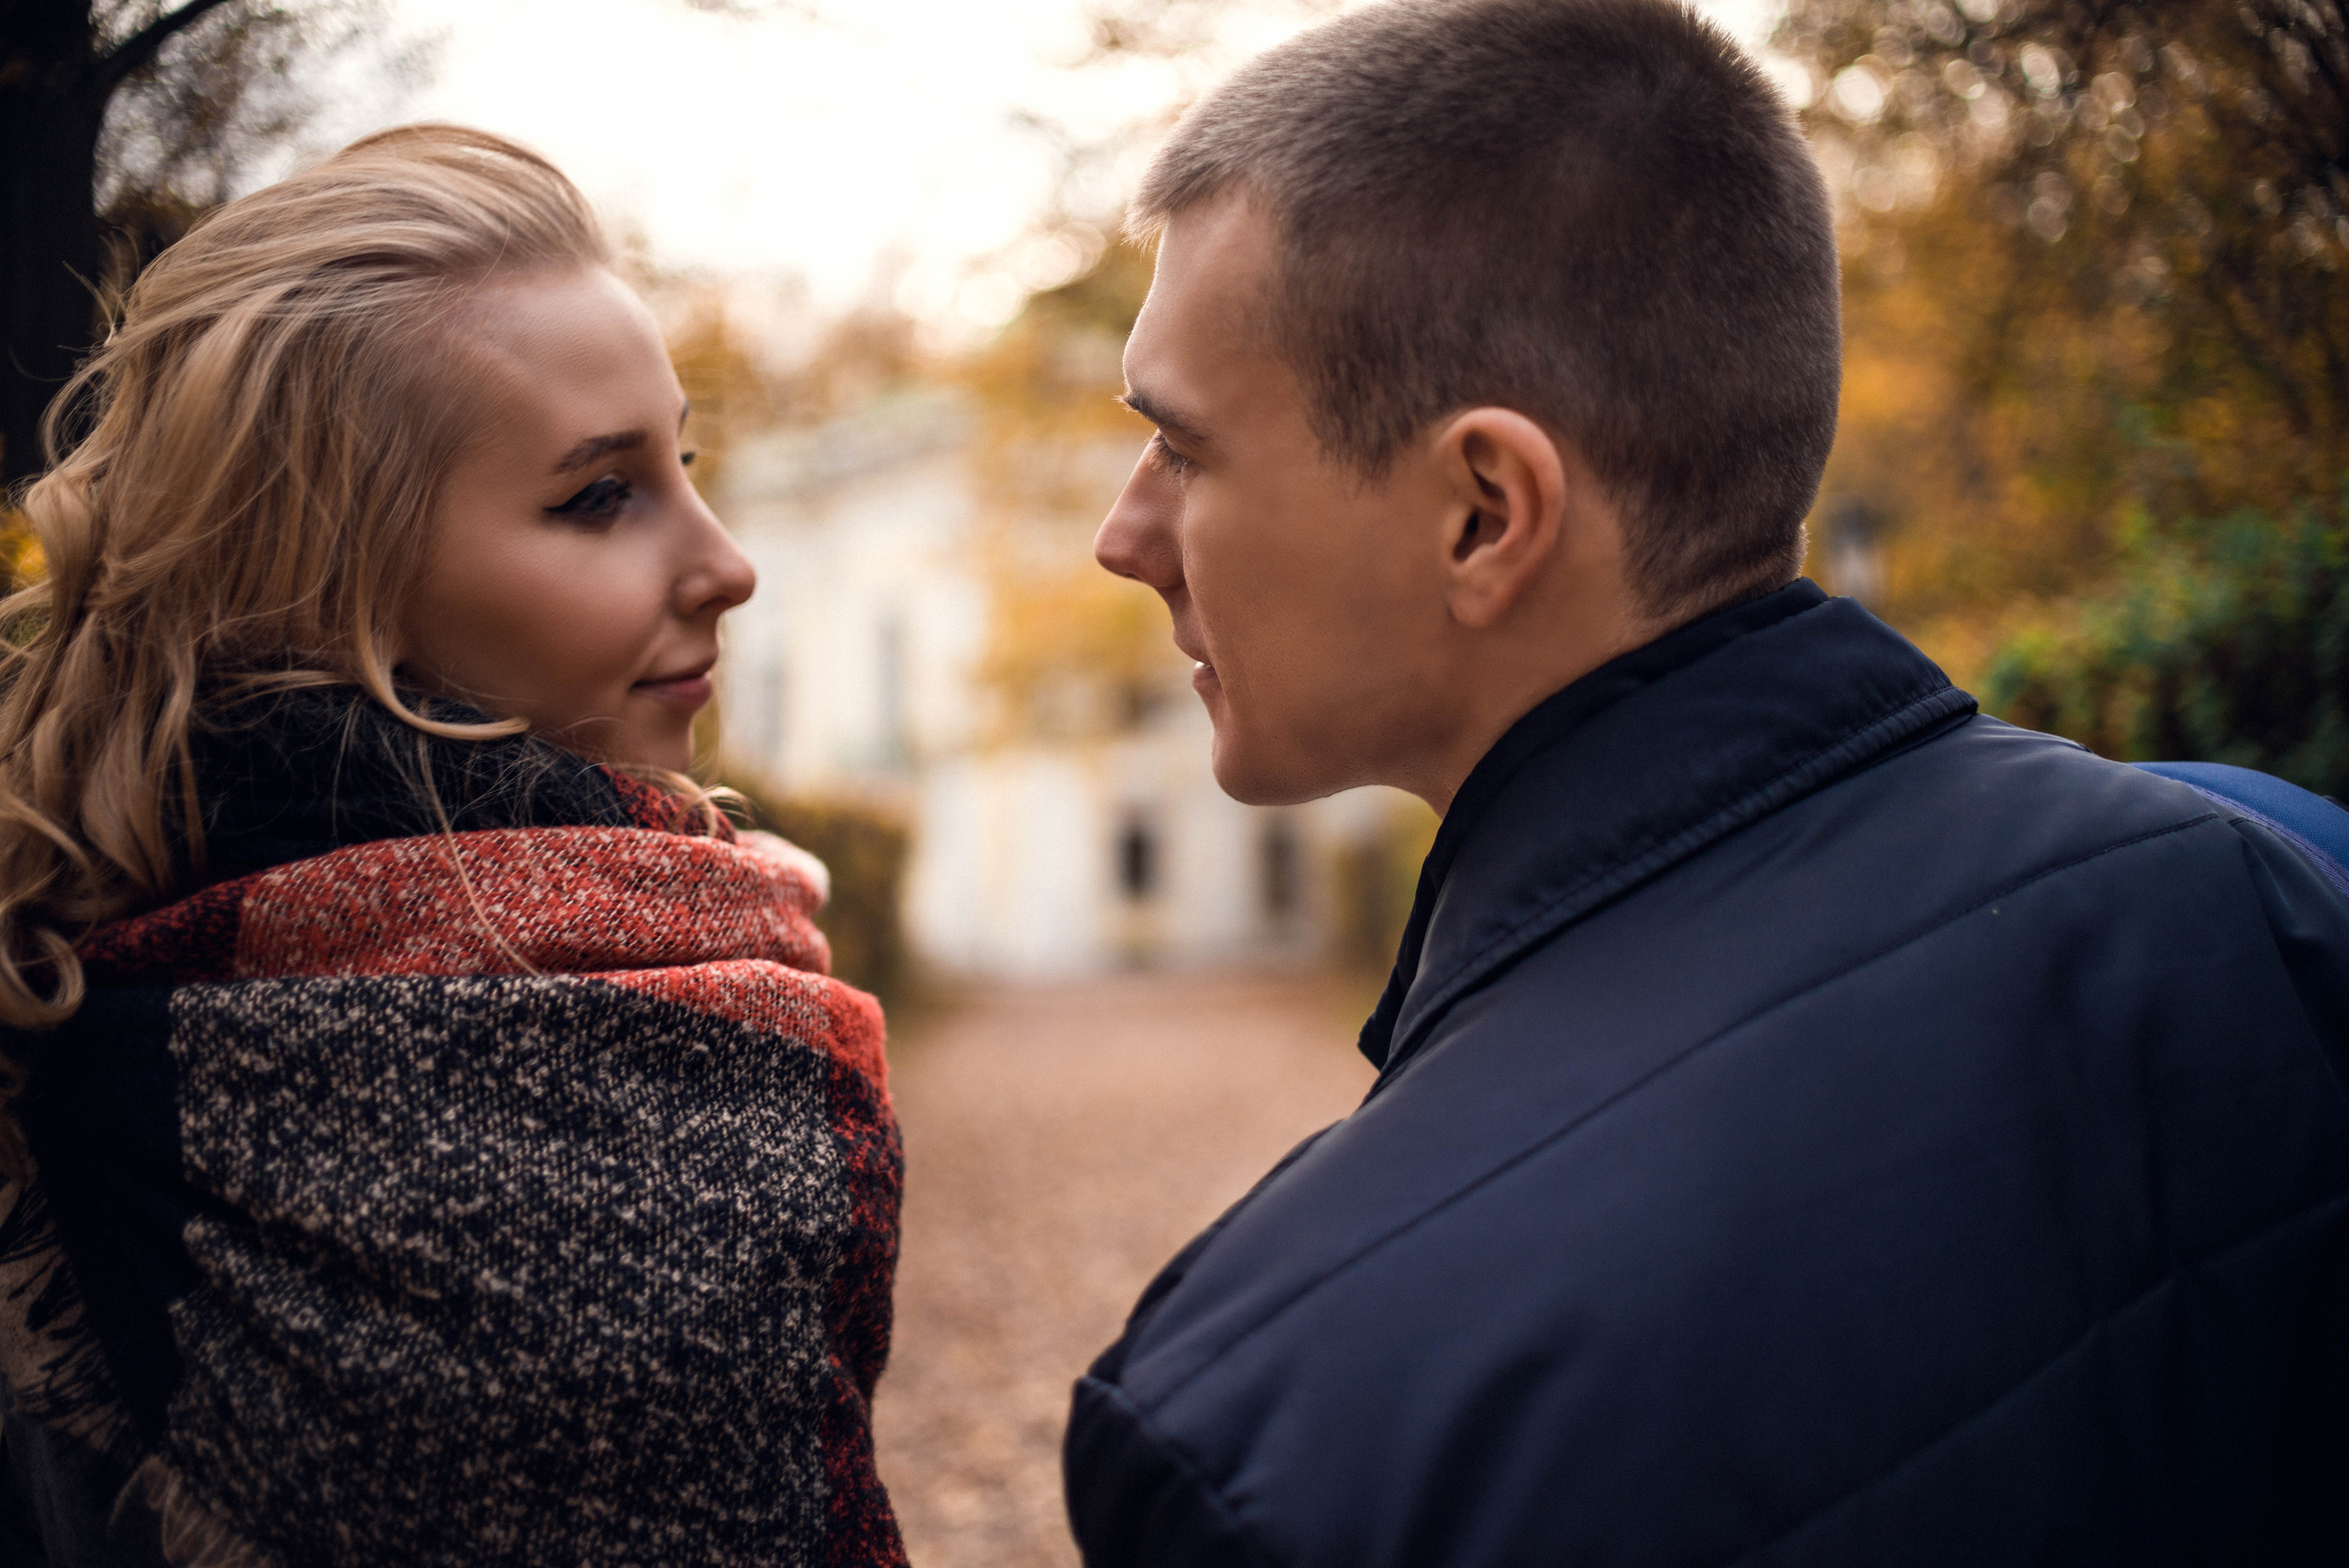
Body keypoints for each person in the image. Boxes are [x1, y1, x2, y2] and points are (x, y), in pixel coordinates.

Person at [1064, 1, 2349, 1562]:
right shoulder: (2285, 882)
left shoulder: (1270, 1423)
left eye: (1180, 449)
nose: (1123, 539)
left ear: (1486, 512)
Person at [0, 126, 906, 1565]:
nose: (728, 563)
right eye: (599, 493)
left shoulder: (82, 996)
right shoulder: (74, 1064)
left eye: (686, 461)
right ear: (326, 580)